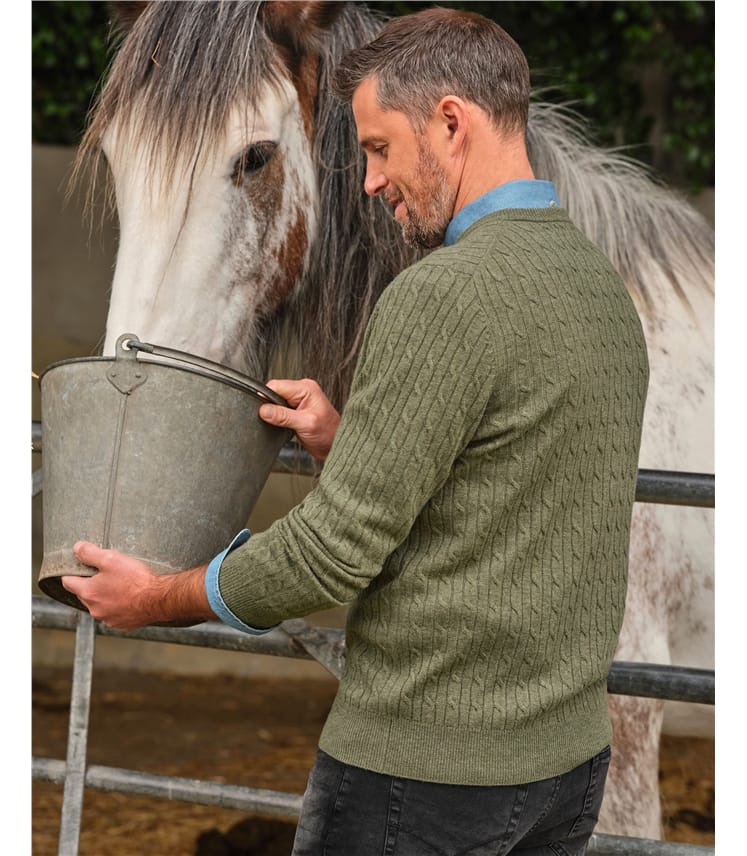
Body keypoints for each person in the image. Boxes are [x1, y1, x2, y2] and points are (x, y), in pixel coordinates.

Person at [62, 7, 649, 855]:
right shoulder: (598, 290)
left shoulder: (438, 294)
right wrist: (360, 440)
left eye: (377, 149)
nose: (367, 183)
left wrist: (159, 598)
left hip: (423, 778)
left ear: (450, 122)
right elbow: (517, 483)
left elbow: (331, 552)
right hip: (561, 773)